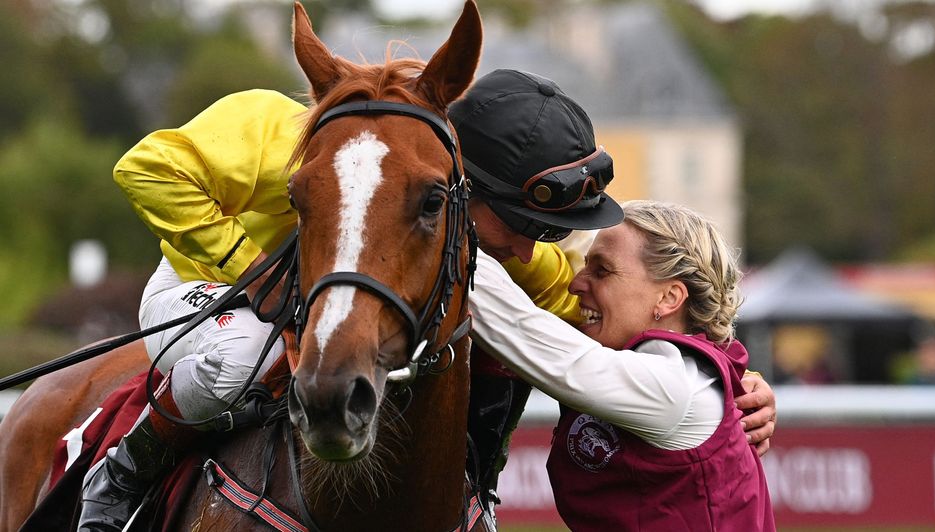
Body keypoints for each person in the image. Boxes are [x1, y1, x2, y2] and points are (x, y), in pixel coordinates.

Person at [79, 69, 777, 529]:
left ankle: (476, 491)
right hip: (208, 286)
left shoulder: (511, 252)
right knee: (237, 354)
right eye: (528, 226)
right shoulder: (275, 130)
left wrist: (725, 376)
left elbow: (599, 323)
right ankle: (124, 471)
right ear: (464, 195)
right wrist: (254, 268)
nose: (531, 248)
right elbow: (145, 168)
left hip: (307, 301)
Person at [468, 199, 776, 530]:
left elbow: (527, 334)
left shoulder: (678, 387)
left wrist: (451, 239)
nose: (576, 283)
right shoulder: (668, 370)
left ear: (669, 298)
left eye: (602, 271)